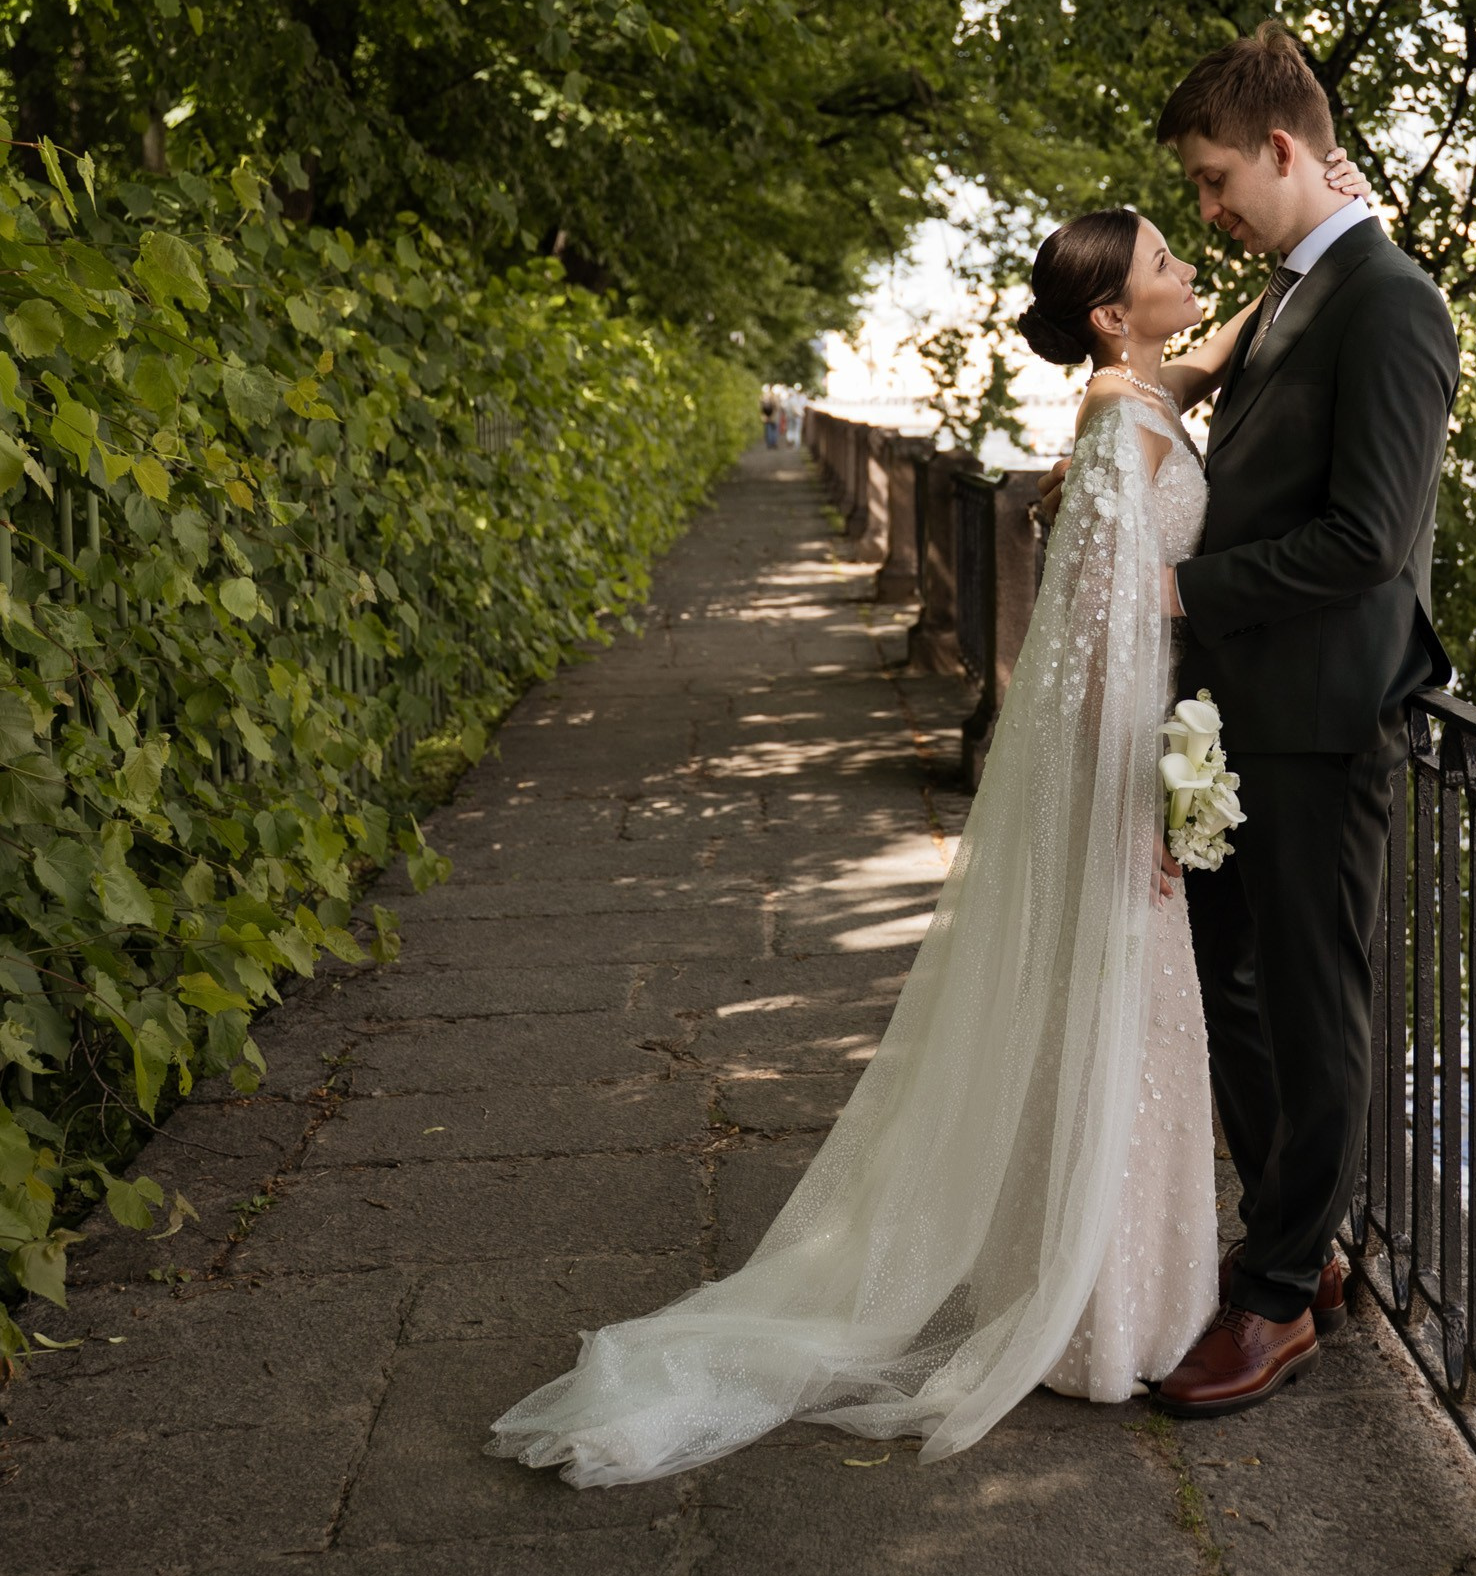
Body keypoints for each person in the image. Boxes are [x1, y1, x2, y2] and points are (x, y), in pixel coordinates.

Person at [486, 162, 1359, 1485]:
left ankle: (1127, 1300)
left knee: (1137, 1032)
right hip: (1126, 777)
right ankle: (1103, 1318)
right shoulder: (1122, 430)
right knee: (1130, 1030)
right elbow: (1100, 641)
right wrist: (1150, 800)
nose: (1193, 275)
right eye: (1168, 264)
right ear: (1118, 317)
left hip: (1133, 761)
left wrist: (1340, 235)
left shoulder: (1130, 395)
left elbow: (1219, 351)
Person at [1148, 23, 1458, 1415]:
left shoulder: (1391, 300)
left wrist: (1180, 586)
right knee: (1238, 998)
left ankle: (1275, 1298)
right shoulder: (1287, 298)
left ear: (1284, 150)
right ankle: (1303, 1252)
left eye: (1216, 179)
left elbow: (1369, 543)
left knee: (1316, 1016)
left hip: (1325, 721)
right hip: (1239, 718)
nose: (1205, 210)